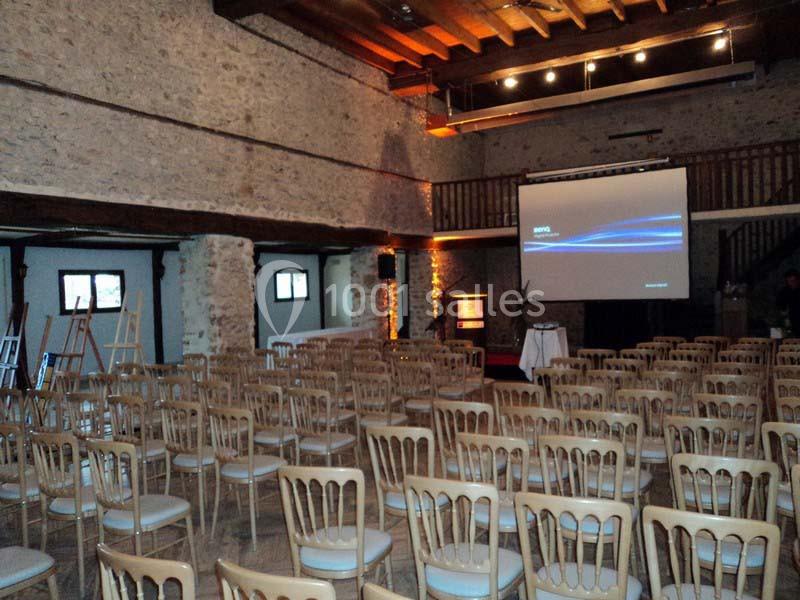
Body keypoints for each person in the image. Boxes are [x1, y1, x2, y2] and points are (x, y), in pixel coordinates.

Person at [777, 269, 800, 334]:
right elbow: (780, 306)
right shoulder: (784, 291)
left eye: (793, 281)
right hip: (790, 321)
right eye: (789, 281)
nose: (791, 283)